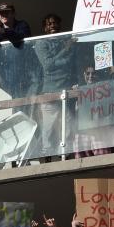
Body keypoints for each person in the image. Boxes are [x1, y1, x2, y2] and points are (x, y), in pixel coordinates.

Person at [35, 14, 76, 160]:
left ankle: (65, 157)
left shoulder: (65, 40)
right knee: (48, 129)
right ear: (44, 27)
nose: (53, 26)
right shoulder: (41, 43)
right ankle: (46, 160)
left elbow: (70, 63)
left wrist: (64, 53)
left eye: (55, 23)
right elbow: (48, 65)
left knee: (69, 126)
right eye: (49, 24)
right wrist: (65, 50)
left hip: (66, 91)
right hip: (50, 92)